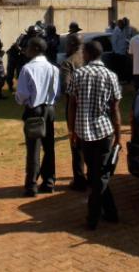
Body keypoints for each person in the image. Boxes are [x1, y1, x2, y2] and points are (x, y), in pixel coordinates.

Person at [68, 41, 122, 231]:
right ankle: (111, 212)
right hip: (104, 131)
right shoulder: (111, 76)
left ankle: (93, 216)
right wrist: (118, 134)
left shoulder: (78, 74)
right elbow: (115, 108)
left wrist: (71, 131)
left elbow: (72, 105)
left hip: (84, 132)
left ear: (89, 54)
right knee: (99, 174)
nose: (82, 55)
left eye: (83, 52)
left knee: (97, 175)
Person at [15, 37, 61, 197]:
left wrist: (23, 101)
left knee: (33, 149)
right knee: (49, 147)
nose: (25, 49)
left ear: (34, 49)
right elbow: (56, 92)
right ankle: (49, 182)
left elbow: (21, 94)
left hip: (33, 110)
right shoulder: (53, 68)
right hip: (50, 109)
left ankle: (31, 185)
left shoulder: (27, 69)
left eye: (27, 47)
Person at [60, 32, 87, 191]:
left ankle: (79, 179)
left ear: (71, 44)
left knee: (76, 143)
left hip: (75, 107)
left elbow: (65, 87)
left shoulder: (68, 63)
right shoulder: (89, 58)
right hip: (92, 107)